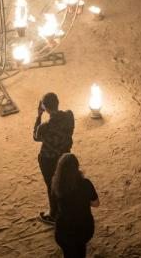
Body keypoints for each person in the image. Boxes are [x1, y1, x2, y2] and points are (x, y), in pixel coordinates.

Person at [33, 92, 75, 224]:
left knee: (52, 185)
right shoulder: (69, 115)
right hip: (64, 155)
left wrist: (39, 115)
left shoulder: (45, 127)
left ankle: (53, 215)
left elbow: (35, 136)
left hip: (48, 159)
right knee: (64, 181)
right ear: (58, 103)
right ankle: (68, 208)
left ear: (45, 108)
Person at [52, 153, 99, 257]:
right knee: (80, 250)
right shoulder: (85, 183)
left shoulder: (56, 184)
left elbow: (55, 207)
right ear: (77, 167)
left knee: (68, 252)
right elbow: (96, 204)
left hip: (63, 231)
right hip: (83, 230)